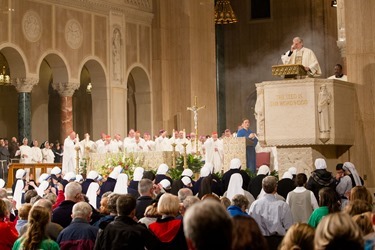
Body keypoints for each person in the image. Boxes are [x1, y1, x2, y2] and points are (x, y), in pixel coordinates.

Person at [94, 194, 160, 250]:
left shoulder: (104, 228)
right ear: (133, 211)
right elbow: (156, 247)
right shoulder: (140, 230)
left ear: (117, 209)